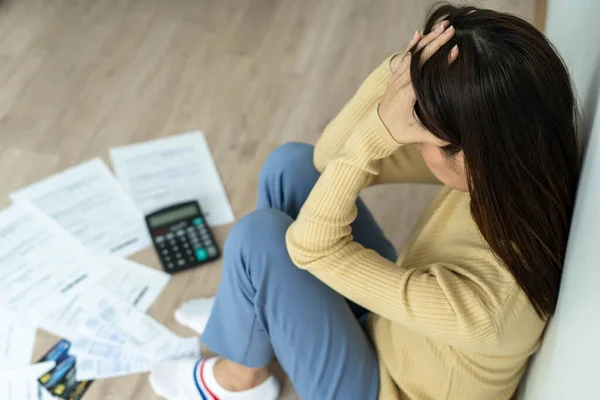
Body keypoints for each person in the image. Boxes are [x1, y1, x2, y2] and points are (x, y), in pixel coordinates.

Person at [149, 5, 581, 400]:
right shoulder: (521, 162)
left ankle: (241, 378)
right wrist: (397, 72)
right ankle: (251, 318)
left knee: (260, 239)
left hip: (382, 388)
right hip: (398, 326)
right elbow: (325, 159)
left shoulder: (489, 308)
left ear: (463, 151)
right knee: (292, 166)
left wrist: (379, 131)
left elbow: (309, 246)